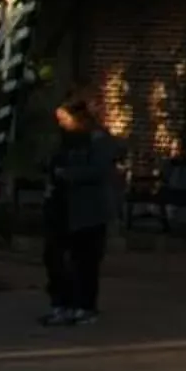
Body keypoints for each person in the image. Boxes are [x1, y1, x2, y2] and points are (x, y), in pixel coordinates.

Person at [39, 90, 120, 328]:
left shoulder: (98, 139)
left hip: (88, 210)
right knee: (55, 257)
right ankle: (61, 304)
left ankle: (84, 306)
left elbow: (99, 169)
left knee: (84, 260)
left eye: (65, 119)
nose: (62, 124)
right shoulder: (64, 140)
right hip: (61, 206)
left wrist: (69, 175)